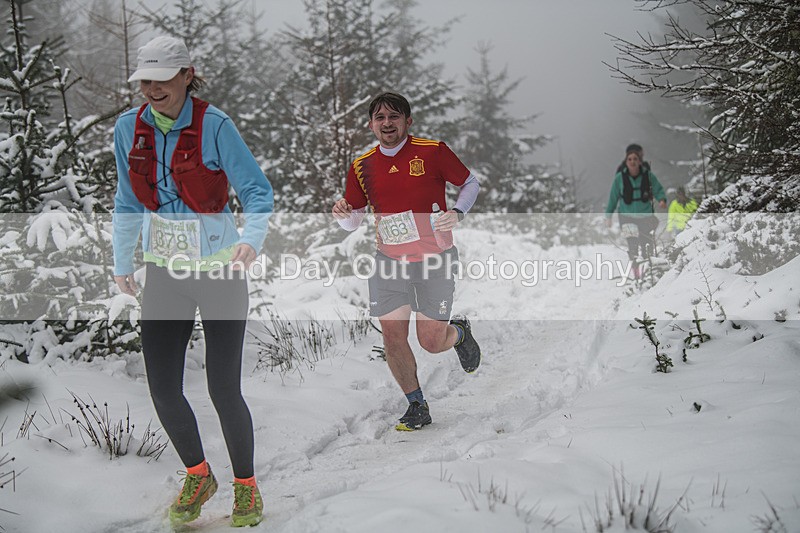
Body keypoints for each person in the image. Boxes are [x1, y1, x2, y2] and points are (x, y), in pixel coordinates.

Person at [112, 36, 273, 527]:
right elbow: (126, 199)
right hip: (165, 273)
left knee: (223, 387)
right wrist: (122, 262)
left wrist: (253, 239)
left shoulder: (215, 126)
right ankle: (198, 475)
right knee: (162, 385)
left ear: (187, 75)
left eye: (162, 79)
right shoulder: (127, 128)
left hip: (221, 270)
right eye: (145, 80)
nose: (152, 89)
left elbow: (256, 190)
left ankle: (246, 487)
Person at [332, 92, 481, 432]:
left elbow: (469, 182)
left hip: (435, 260)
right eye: (380, 118)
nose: (387, 123)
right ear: (371, 124)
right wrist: (342, 214)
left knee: (430, 340)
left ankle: (459, 334)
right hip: (389, 261)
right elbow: (354, 219)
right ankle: (416, 404)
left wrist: (458, 212)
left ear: (407, 121)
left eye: (394, 117)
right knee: (393, 336)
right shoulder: (361, 166)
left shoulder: (432, 151)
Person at [605, 143, 667, 277]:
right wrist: (608, 216)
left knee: (647, 245)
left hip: (646, 216)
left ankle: (649, 273)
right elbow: (613, 197)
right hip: (627, 217)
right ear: (626, 161)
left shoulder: (648, 176)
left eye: (635, 159)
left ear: (640, 161)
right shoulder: (619, 178)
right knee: (633, 246)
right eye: (630, 159)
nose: (632, 162)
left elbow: (658, 189)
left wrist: (662, 199)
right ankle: (637, 274)